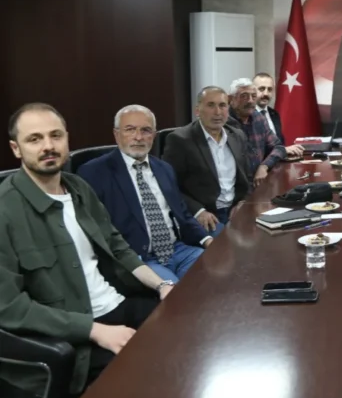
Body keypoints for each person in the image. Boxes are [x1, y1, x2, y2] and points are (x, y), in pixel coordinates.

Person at [0, 103, 176, 396]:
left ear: (67, 139)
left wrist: (161, 285)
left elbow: (117, 246)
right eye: (34, 139)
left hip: (117, 303)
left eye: (55, 135)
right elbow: (9, 307)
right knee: (154, 378)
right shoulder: (5, 209)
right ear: (16, 149)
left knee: (187, 328)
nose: (48, 146)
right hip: (73, 333)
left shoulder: (78, 187)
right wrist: (95, 331)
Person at [77, 105, 212, 284]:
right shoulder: (94, 173)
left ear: (154, 135)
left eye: (146, 130)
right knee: (176, 293)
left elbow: (183, 216)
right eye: (130, 129)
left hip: (179, 251)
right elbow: (97, 232)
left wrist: (207, 240)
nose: (138, 137)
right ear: (116, 134)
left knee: (216, 273)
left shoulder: (164, 169)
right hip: (139, 260)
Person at [163, 86, 250, 232]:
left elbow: (247, 177)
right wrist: (198, 211)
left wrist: (243, 202)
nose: (217, 112)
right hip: (206, 215)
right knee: (226, 243)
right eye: (211, 105)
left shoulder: (237, 136)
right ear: (197, 111)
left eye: (222, 105)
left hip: (235, 210)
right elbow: (169, 186)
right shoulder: (180, 140)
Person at [227, 78, 302, 187]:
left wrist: (264, 166)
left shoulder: (258, 118)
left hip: (260, 184)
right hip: (235, 188)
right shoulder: (223, 122)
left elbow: (278, 147)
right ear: (230, 99)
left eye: (253, 96)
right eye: (244, 96)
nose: (250, 101)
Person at [253, 72, 284, 144]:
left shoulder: (274, 114)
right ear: (252, 90)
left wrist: (285, 149)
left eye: (269, 89)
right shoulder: (246, 115)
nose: (266, 93)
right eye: (261, 89)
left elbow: (280, 141)